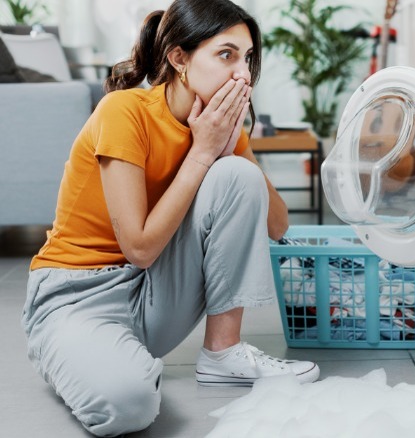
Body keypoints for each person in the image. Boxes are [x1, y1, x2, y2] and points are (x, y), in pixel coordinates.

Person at [20, 0, 320, 436]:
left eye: (248, 57)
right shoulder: (124, 112)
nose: (242, 74)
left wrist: (225, 147)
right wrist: (201, 153)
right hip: (75, 296)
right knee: (128, 406)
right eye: (226, 54)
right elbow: (139, 249)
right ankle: (76, 352)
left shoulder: (221, 127)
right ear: (179, 58)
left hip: (153, 294)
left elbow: (278, 225)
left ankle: (223, 352)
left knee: (237, 174)